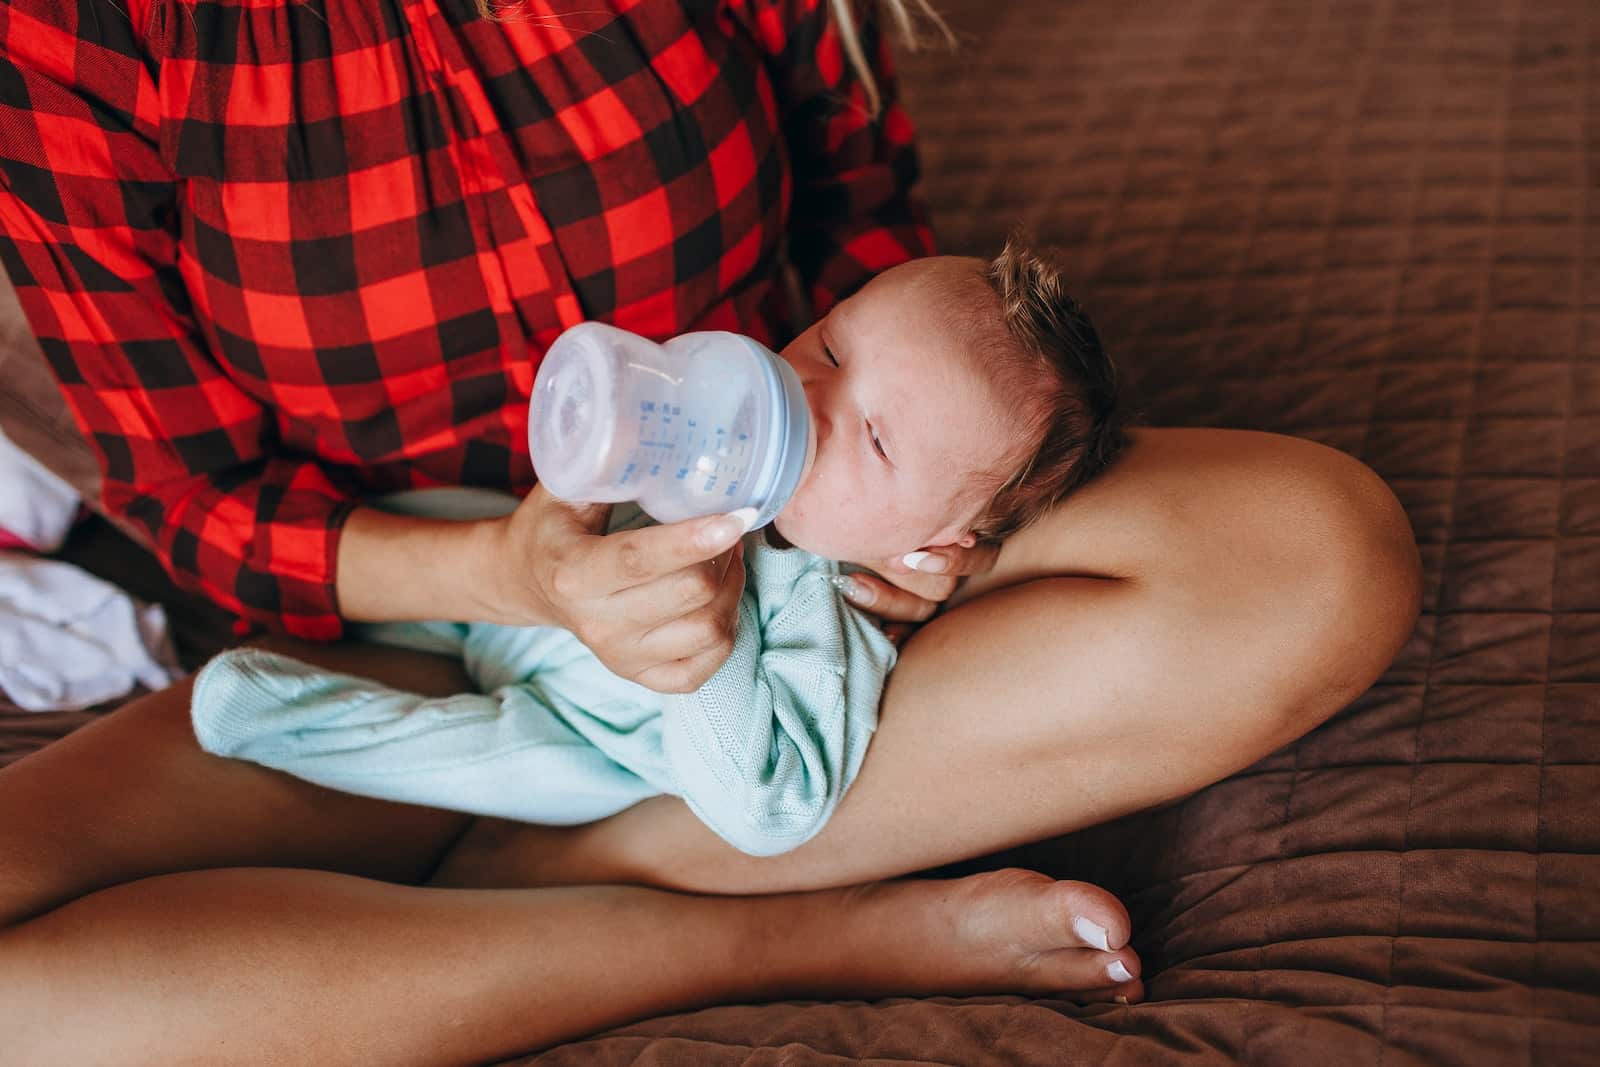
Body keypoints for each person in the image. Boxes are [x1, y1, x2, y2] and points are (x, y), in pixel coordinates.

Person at [0, 0, 1422, 1062]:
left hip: (799, 543)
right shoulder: (88, 34)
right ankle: (787, 928)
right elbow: (195, 498)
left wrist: (904, 520)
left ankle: (561, 870)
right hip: (418, 611)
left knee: (1318, 552)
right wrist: (520, 572)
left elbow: (866, 232)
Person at [189, 246, 1125, 859]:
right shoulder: (718, 426)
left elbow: (768, 809)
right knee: (426, 513)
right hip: (521, 586)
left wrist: (710, 663)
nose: (807, 396)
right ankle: (322, 602)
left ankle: (278, 716)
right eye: (833, 345)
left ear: (933, 546)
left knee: (483, 762)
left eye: (874, 441)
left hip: (588, 734)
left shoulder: (835, 618)